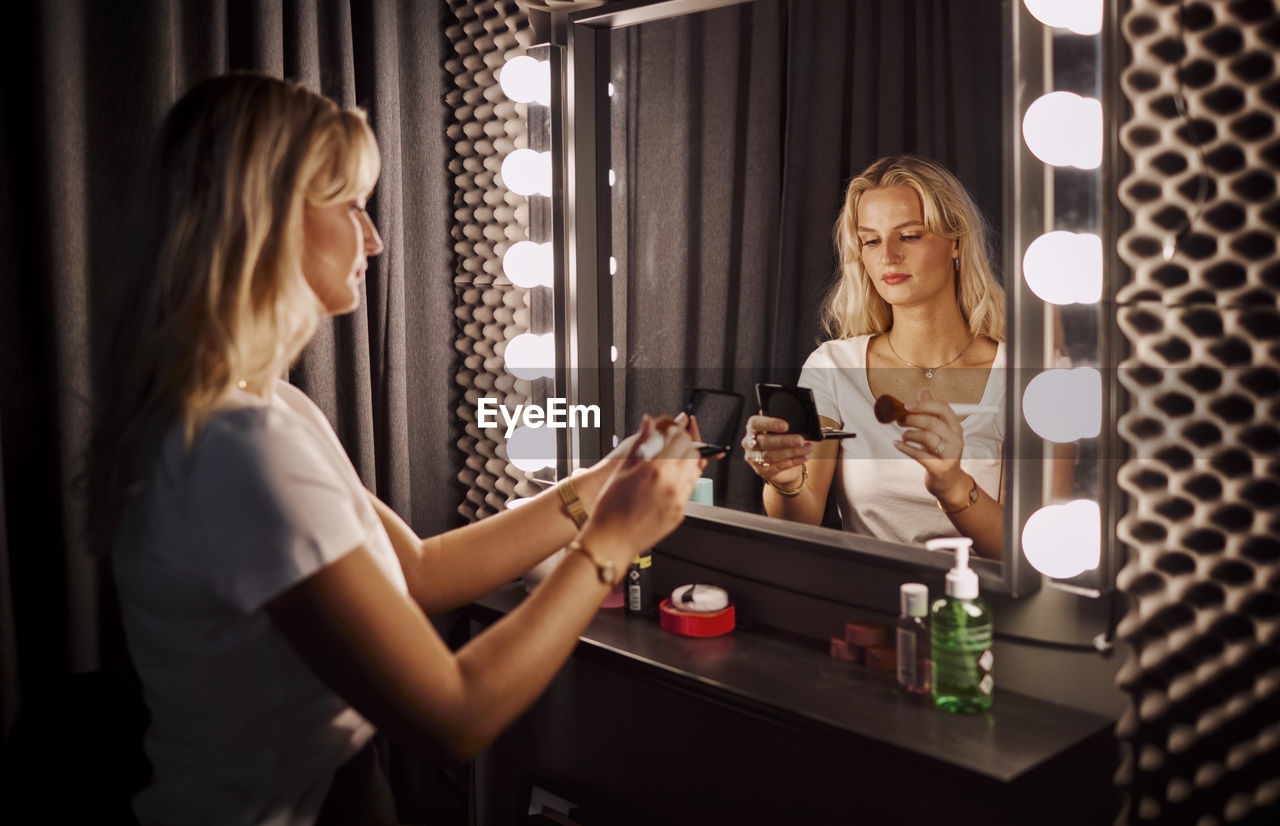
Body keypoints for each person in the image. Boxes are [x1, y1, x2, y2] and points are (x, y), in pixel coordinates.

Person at [87, 73, 703, 826]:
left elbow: (417, 571)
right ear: (269, 220)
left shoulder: (262, 406)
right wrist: (613, 541)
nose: (373, 238)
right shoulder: (242, 451)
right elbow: (454, 717)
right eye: (349, 206)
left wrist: (595, 487)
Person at [741, 155, 1006, 560]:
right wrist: (786, 478)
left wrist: (953, 485)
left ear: (956, 242)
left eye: (910, 235)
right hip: (867, 605)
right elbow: (799, 520)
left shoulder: (1025, 379)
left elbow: (1029, 550)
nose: (889, 256)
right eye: (871, 240)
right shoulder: (832, 368)